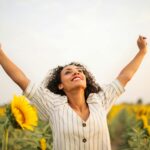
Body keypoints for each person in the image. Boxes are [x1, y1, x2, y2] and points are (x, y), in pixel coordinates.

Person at [0, 35, 148, 150]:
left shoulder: (100, 101)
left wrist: (142, 51)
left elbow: (125, 76)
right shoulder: (53, 105)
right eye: (68, 72)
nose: (76, 73)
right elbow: (20, 79)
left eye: (79, 71)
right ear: (60, 85)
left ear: (85, 80)